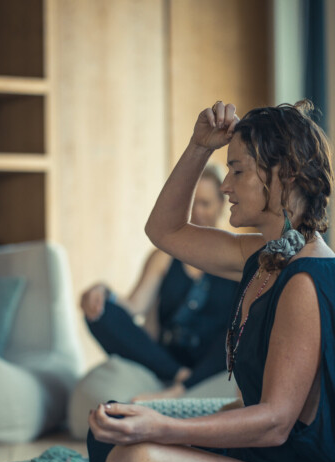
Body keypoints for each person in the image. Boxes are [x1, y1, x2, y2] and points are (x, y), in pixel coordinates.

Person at [78, 100, 335, 462]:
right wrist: (199, 147)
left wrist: (164, 427)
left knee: (133, 461)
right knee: (109, 432)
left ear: (285, 173)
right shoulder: (264, 257)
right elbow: (165, 232)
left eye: (238, 171)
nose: (227, 188)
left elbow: (274, 422)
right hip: (264, 460)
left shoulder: (308, 280)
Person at [79, 165, 238, 400]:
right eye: (191, 203)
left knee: (240, 330)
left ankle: (180, 389)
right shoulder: (163, 256)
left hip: (214, 358)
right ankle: (180, 375)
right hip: (166, 360)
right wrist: (102, 292)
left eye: (204, 203)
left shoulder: (235, 256)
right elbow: (134, 307)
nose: (196, 212)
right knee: (99, 312)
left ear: (221, 206)